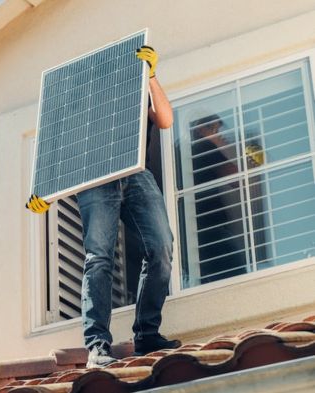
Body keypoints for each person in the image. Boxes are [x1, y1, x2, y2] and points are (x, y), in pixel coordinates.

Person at [26, 45, 181, 368]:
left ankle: (147, 334)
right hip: (94, 181)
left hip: (136, 174)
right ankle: (97, 346)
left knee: (162, 246)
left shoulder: (134, 91)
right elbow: (55, 146)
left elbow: (164, 119)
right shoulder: (79, 110)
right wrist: (44, 192)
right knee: (99, 258)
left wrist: (151, 76)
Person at [190, 114, 263, 283]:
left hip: (202, 228)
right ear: (201, 130)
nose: (219, 134)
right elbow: (236, 179)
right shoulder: (205, 146)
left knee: (213, 277)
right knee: (237, 273)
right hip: (211, 227)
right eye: (214, 129)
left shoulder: (193, 152)